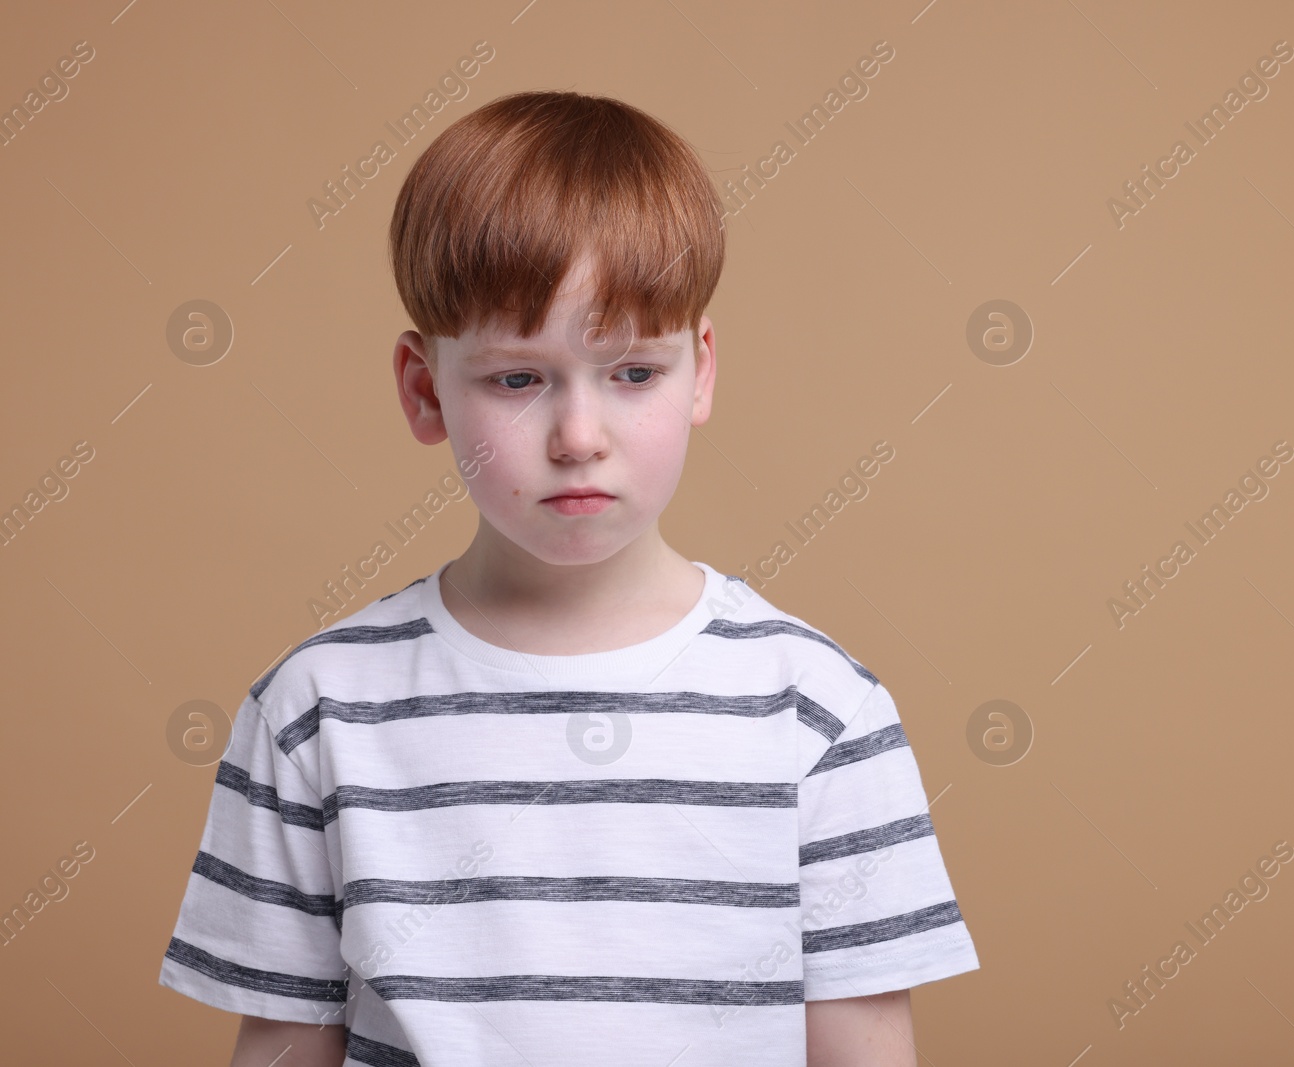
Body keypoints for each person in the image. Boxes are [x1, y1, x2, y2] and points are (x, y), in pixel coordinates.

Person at [157, 89, 978, 1066]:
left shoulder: (821, 716)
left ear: (700, 371)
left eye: (633, 372)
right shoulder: (316, 712)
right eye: (517, 378)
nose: (579, 437)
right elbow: (283, 1044)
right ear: (425, 390)